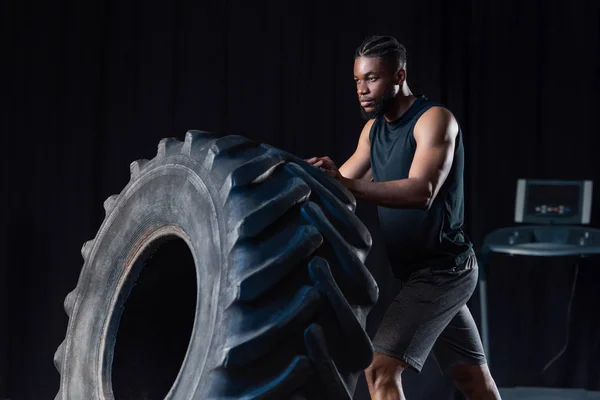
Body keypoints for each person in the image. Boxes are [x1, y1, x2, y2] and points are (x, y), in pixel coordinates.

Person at [305, 35, 501, 400]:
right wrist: (299, 176)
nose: (362, 90)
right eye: (358, 81)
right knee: (474, 381)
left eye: (372, 78)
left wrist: (345, 182)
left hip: (445, 271)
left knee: (379, 368)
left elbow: (421, 191)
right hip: (414, 276)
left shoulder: (434, 120)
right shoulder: (373, 131)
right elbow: (339, 188)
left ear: (399, 75)